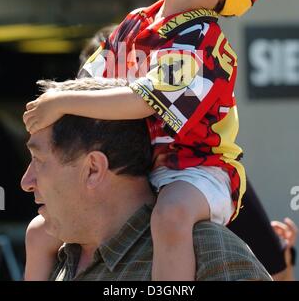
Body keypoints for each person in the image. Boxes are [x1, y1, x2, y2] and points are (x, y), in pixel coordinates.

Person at [23, 0, 274, 281]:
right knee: (38, 233)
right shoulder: (138, 21)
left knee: (171, 217)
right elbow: (91, 77)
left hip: (200, 170)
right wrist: (62, 100)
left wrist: (63, 101)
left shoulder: (202, 41)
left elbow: (145, 98)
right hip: (145, 167)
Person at [21, 78, 272, 281]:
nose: (26, 182)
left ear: (93, 169)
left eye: (38, 159)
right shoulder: (52, 256)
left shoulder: (212, 256)